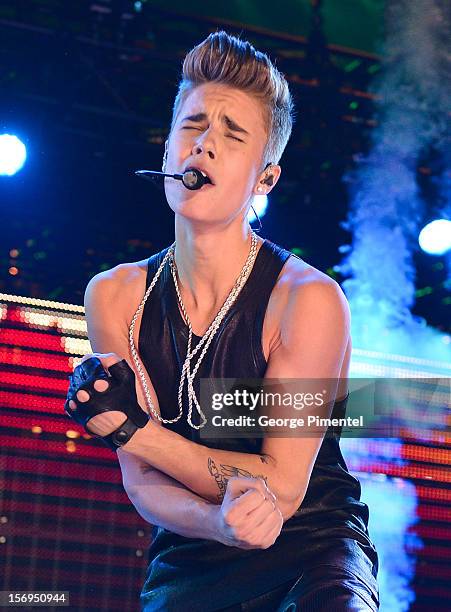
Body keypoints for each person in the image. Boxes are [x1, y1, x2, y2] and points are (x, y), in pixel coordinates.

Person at [65, 31, 380, 611]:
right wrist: (213, 522)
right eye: (192, 126)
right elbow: (143, 481)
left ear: (265, 178)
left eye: (232, 135)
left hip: (309, 546)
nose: (204, 145)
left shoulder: (306, 299)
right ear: (166, 151)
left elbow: (281, 486)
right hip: (190, 549)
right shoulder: (115, 295)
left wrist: (136, 430)